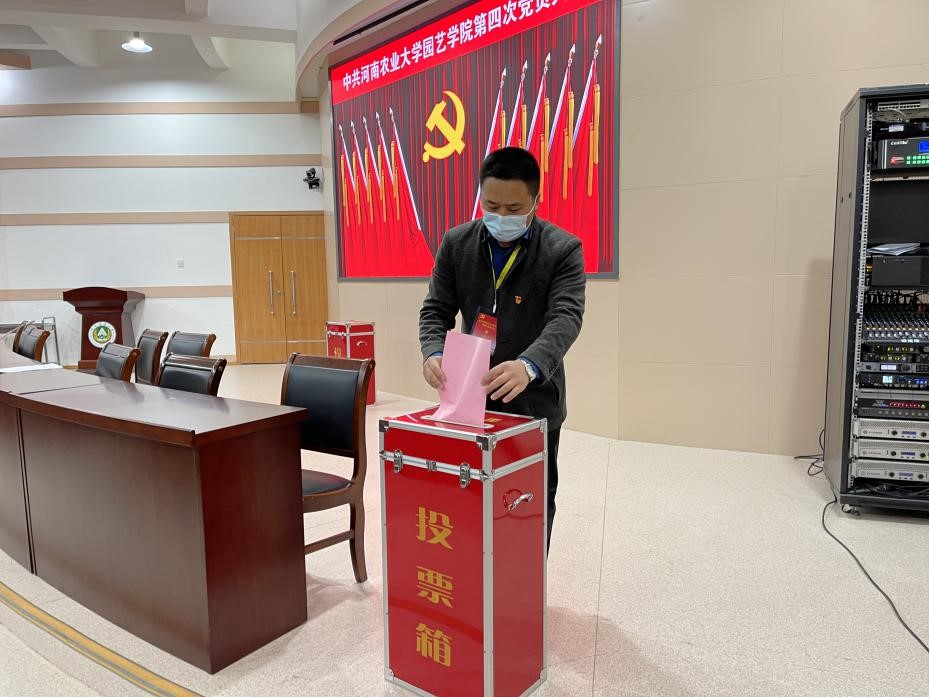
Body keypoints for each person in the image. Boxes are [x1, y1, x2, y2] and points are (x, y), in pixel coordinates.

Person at [419, 146, 586, 551]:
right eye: (492, 206)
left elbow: (565, 318)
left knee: (529, 501)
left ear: (536, 200)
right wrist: (433, 351)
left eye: (514, 209)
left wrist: (528, 365)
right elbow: (436, 310)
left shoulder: (562, 249)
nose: (501, 217)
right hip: (468, 399)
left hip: (533, 401)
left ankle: (524, 583)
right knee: (468, 495)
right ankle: (474, 578)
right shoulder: (457, 243)